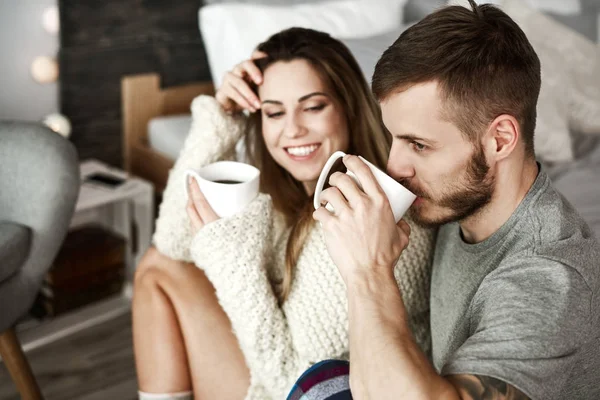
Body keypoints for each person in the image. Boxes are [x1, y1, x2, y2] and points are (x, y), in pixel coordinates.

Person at [309, 1, 600, 399]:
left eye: (419, 145)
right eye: (394, 137)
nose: (395, 166)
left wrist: (369, 271)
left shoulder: (549, 279)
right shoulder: (458, 200)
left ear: (500, 140)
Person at [133, 27, 436, 400]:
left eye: (312, 107)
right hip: (287, 376)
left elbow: (299, 387)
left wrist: (234, 267)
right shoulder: (290, 198)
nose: (292, 130)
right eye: (274, 112)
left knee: (160, 270)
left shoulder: (367, 217)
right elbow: (172, 243)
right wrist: (221, 120)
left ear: (348, 107)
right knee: (160, 266)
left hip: (312, 391)